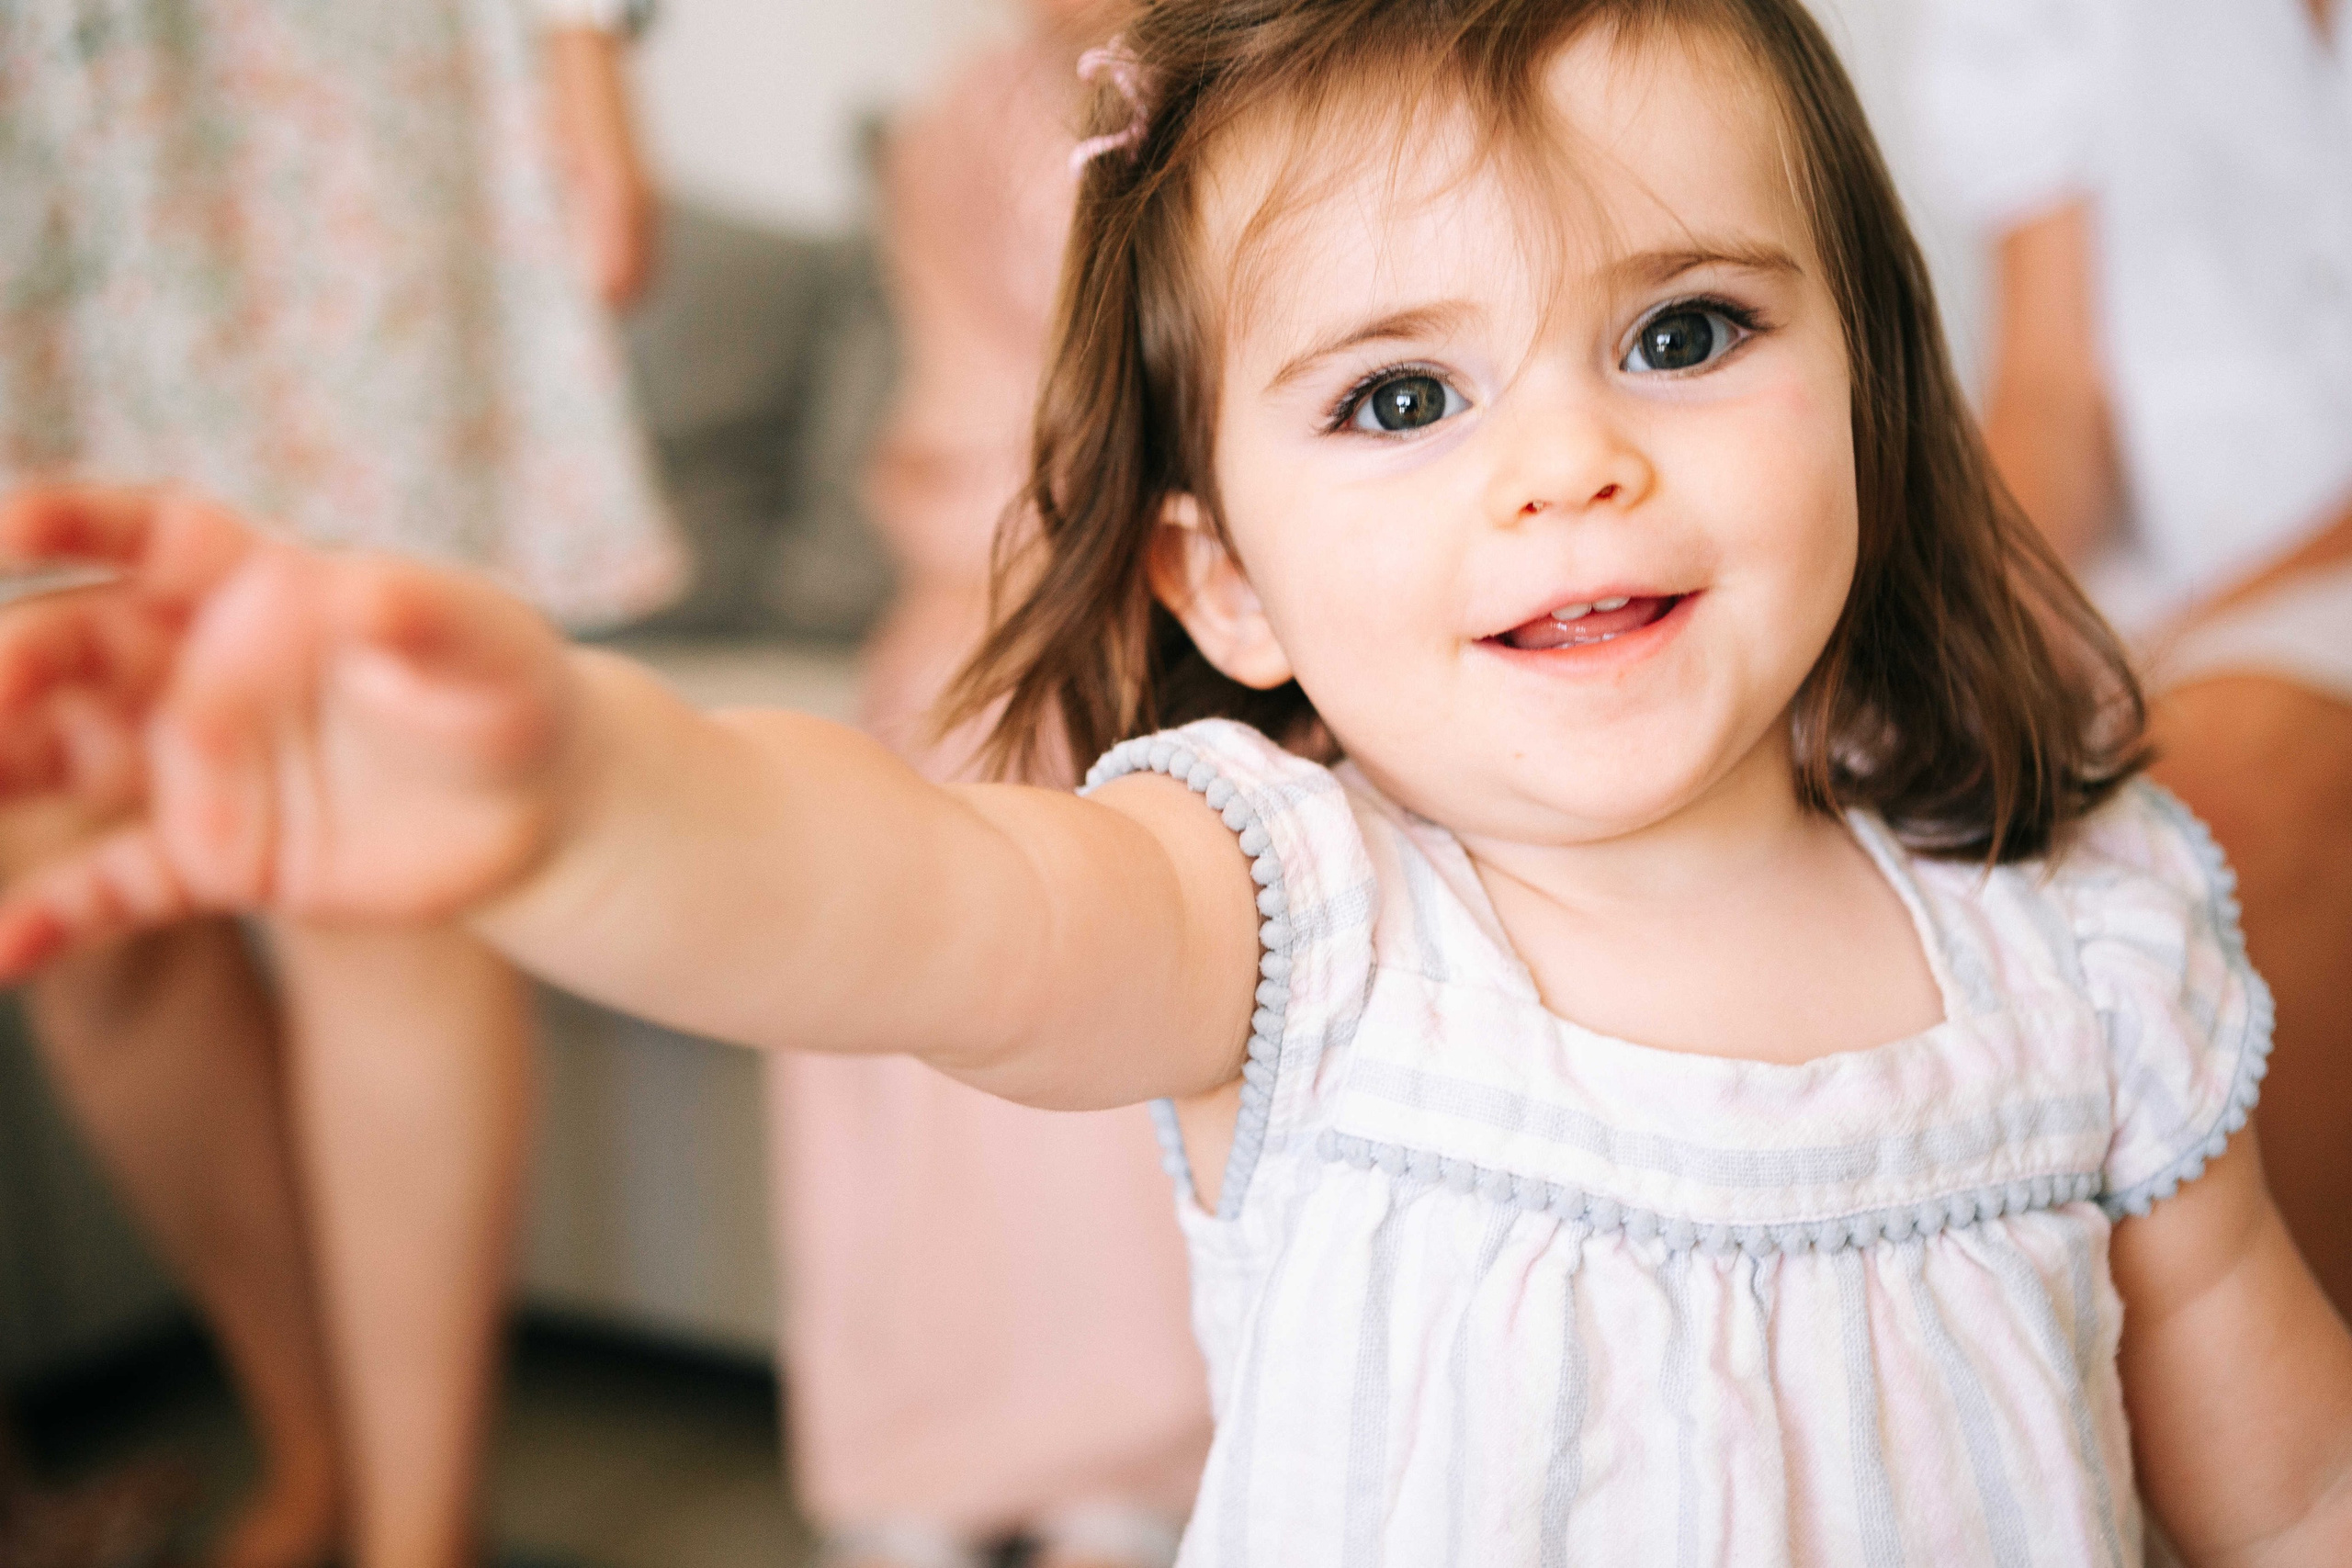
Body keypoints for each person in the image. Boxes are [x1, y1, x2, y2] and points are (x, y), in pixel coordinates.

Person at [0, 0, 2348, 1562]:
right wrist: (569, 799)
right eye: (1400, 398)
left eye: (1683, 329)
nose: (1570, 462)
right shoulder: (1295, 922)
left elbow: (2287, 1481)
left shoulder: (2084, 932)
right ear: (1221, 580)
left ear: (1871, 380)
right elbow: (893, 896)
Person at [0, 2, 679, 1564]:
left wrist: (579, 40)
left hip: (307, 83)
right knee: (74, 880)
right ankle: (308, 1448)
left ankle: (414, 1534)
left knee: (377, 848)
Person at [772, 8, 1208, 1566]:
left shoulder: (1280, 74)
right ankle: (932, 1442)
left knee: (1095, 790)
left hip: (1207, 577)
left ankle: (1128, 1448)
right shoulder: (965, 122)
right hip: (992, 572)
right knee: (901, 793)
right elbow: (960, 424)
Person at [1916, 0, 2352, 1316]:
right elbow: (2053, 389)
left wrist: (2155, 659)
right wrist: (1963, 626)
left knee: (2212, 799)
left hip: (2283, 589)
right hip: (2163, 572)